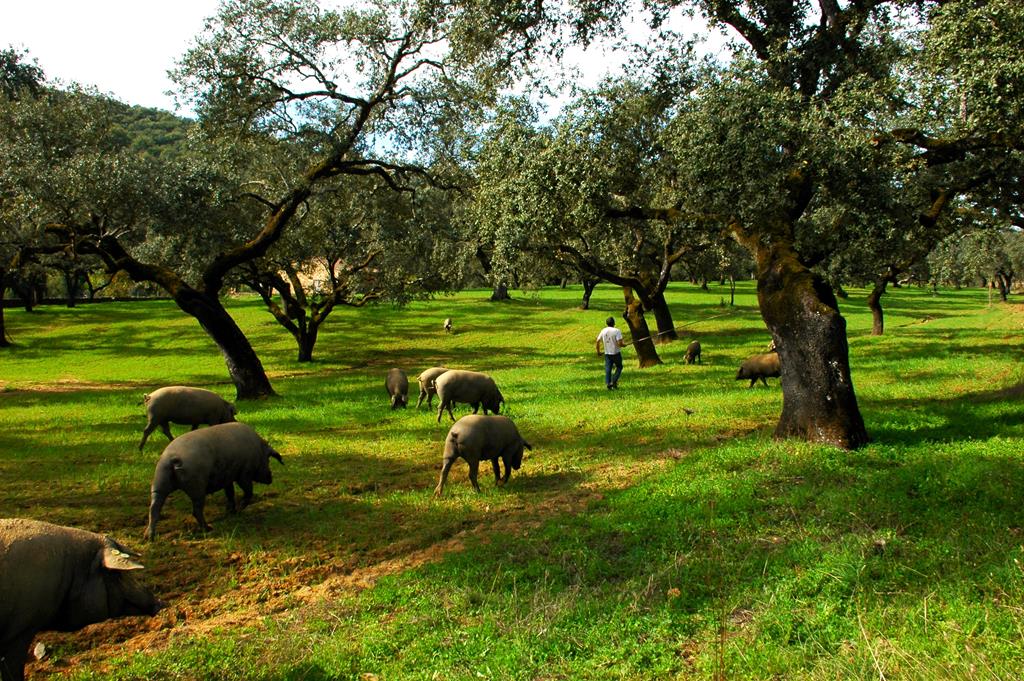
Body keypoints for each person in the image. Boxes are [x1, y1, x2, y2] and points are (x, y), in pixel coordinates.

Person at [596, 316, 624, 390]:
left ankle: (608, 384)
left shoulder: (603, 331)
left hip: (607, 353)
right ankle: (614, 381)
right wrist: (623, 345)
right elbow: (619, 343)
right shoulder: (617, 331)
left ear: (607, 323)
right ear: (614, 323)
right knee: (619, 367)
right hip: (616, 353)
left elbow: (597, 341)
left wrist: (598, 351)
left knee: (608, 369)